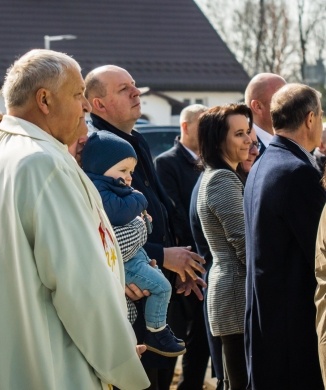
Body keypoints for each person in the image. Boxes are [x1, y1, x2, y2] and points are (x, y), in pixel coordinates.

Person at [0, 49, 150, 390]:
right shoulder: (43, 163)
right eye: (77, 94)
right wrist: (122, 361)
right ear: (44, 100)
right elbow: (78, 283)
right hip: (49, 358)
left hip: (1, 350)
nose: (85, 105)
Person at [84, 64, 206, 390]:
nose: (137, 92)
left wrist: (182, 266)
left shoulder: (135, 138)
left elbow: (163, 207)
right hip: (131, 292)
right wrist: (164, 256)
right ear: (99, 104)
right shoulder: (96, 147)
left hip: (160, 283)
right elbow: (101, 224)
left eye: (134, 85)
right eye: (124, 89)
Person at [244, 83, 325, 390]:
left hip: (267, 320)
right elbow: (319, 251)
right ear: (310, 119)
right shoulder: (297, 172)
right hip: (293, 327)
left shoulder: (265, 163)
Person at [82, 130, 186, 357]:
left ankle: (140, 336)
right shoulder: (99, 188)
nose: (129, 177)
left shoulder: (116, 188)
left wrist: (143, 220)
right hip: (123, 261)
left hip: (132, 256)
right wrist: (139, 200)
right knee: (162, 287)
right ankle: (156, 331)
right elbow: (119, 215)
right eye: (123, 170)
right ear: (100, 167)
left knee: (144, 294)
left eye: (130, 171)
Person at [189, 126, 259, 390]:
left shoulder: (224, 175)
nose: (249, 140)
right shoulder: (221, 178)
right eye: (239, 133)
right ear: (218, 141)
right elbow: (243, 242)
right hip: (235, 292)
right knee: (240, 381)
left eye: (249, 132)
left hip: (231, 289)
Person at [154, 104, 210, 390]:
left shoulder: (210, 162)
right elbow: (175, 213)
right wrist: (187, 258)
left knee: (201, 338)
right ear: (185, 127)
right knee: (174, 334)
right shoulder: (166, 162)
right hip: (180, 264)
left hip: (203, 264)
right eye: (203, 124)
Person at [244, 73, 286, 155]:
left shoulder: (293, 144)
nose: (291, 106)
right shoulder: (243, 150)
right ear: (258, 107)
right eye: (282, 100)